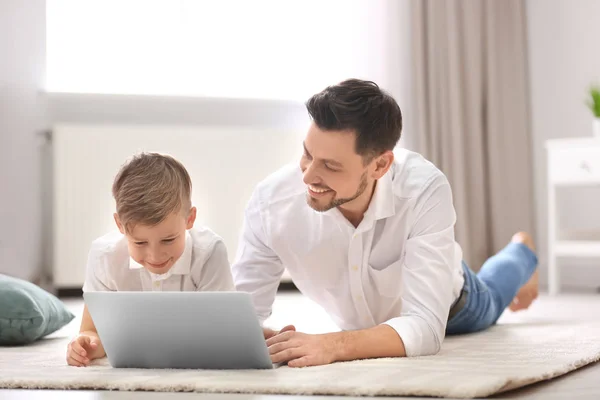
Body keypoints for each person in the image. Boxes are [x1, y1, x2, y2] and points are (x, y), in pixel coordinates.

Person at [232, 78, 539, 368]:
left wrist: (332, 346)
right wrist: (251, 335)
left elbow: (426, 328)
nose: (308, 176)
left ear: (380, 165)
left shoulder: (423, 188)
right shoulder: (270, 204)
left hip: (454, 307)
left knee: (495, 293)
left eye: (330, 166)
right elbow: (242, 314)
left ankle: (521, 249)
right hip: (370, 330)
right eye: (307, 154)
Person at [66, 152, 235, 367]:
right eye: (140, 243)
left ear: (189, 219)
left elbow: (222, 334)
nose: (155, 256)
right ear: (120, 225)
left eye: (168, 240)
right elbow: (92, 331)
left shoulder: (209, 252)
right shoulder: (104, 256)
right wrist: (86, 345)